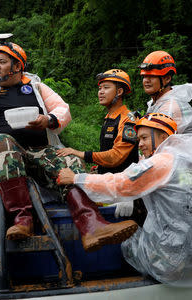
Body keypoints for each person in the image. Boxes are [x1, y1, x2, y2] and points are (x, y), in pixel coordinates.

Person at [0, 36, 138, 252]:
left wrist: (48, 120)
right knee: (3, 142)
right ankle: (22, 219)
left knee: (68, 159)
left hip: (39, 151)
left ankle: (92, 226)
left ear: (17, 66)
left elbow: (63, 109)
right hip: (3, 156)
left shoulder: (37, 88)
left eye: (2, 62)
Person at [57, 113, 192, 287]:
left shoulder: (161, 162)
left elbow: (121, 183)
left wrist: (77, 178)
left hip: (169, 263)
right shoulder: (189, 163)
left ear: (163, 136)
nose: (141, 144)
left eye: (144, 138)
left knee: (125, 240)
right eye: (139, 139)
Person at [56, 69, 140, 220]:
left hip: (122, 190)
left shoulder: (128, 120)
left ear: (119, 91)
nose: (100, 92)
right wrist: (99, 167)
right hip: (107, 185)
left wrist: (80, 153)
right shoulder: (109, 117)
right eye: (100, 88)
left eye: (106, 87)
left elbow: (116, 157)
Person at [139, 50, 192, 152]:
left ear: (167, 78)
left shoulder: (170, 107)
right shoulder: (158, 102)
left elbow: (157, 145)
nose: (146, 80)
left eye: (152, 76)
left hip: (183, 163)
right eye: (144, 76)